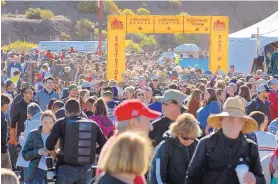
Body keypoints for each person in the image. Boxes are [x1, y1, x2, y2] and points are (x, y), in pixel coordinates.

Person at [185, 97, 265, 184]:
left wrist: (255, 179)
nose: (231, 121)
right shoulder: (206, 144)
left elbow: (261, 179)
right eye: (228, 117)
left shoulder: (250, 147)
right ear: (221, 120)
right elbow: (191, 177)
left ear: (243, 122)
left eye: (236, 118)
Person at [97, 100, 161, 184]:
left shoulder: (116, 145)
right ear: (133, 122)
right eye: (147, 121)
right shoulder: (122, 150)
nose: (150, 127)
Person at [46, 99, 107, 184]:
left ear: (66, 111)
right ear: (80, 110)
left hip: (65, 168)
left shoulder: (61, 123)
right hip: (86, 169)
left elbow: (49, 144)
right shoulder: (92, 124)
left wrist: (55, 156)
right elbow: (105, 144)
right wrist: (95, 152)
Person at [149, 113, 202, 184]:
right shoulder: (164, 147)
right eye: (185, 138)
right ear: (177, 132)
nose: (189, 141)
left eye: (193, 138)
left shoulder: (198, 146)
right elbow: (157, 176)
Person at [22, 110, 56, 184]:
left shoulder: (56, 136)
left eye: (50, 123)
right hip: (36, 171)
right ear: (41, 122)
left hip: (52, 171)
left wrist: (53, 153)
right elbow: (25, 155)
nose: (48, 125)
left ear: (54, 123)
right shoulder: (33, 134)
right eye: (45, 122)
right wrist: (39, 152)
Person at [16, 103, 43, 179]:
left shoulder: (31, 123)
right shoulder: (45, 120)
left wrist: (21, 138)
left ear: (29, 113)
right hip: (42, 158)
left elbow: (26, 143)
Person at [1, 94, 12, 169]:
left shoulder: (3, 114)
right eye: (6, 106)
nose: (7, 107)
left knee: (8, 174)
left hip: (4, 148)